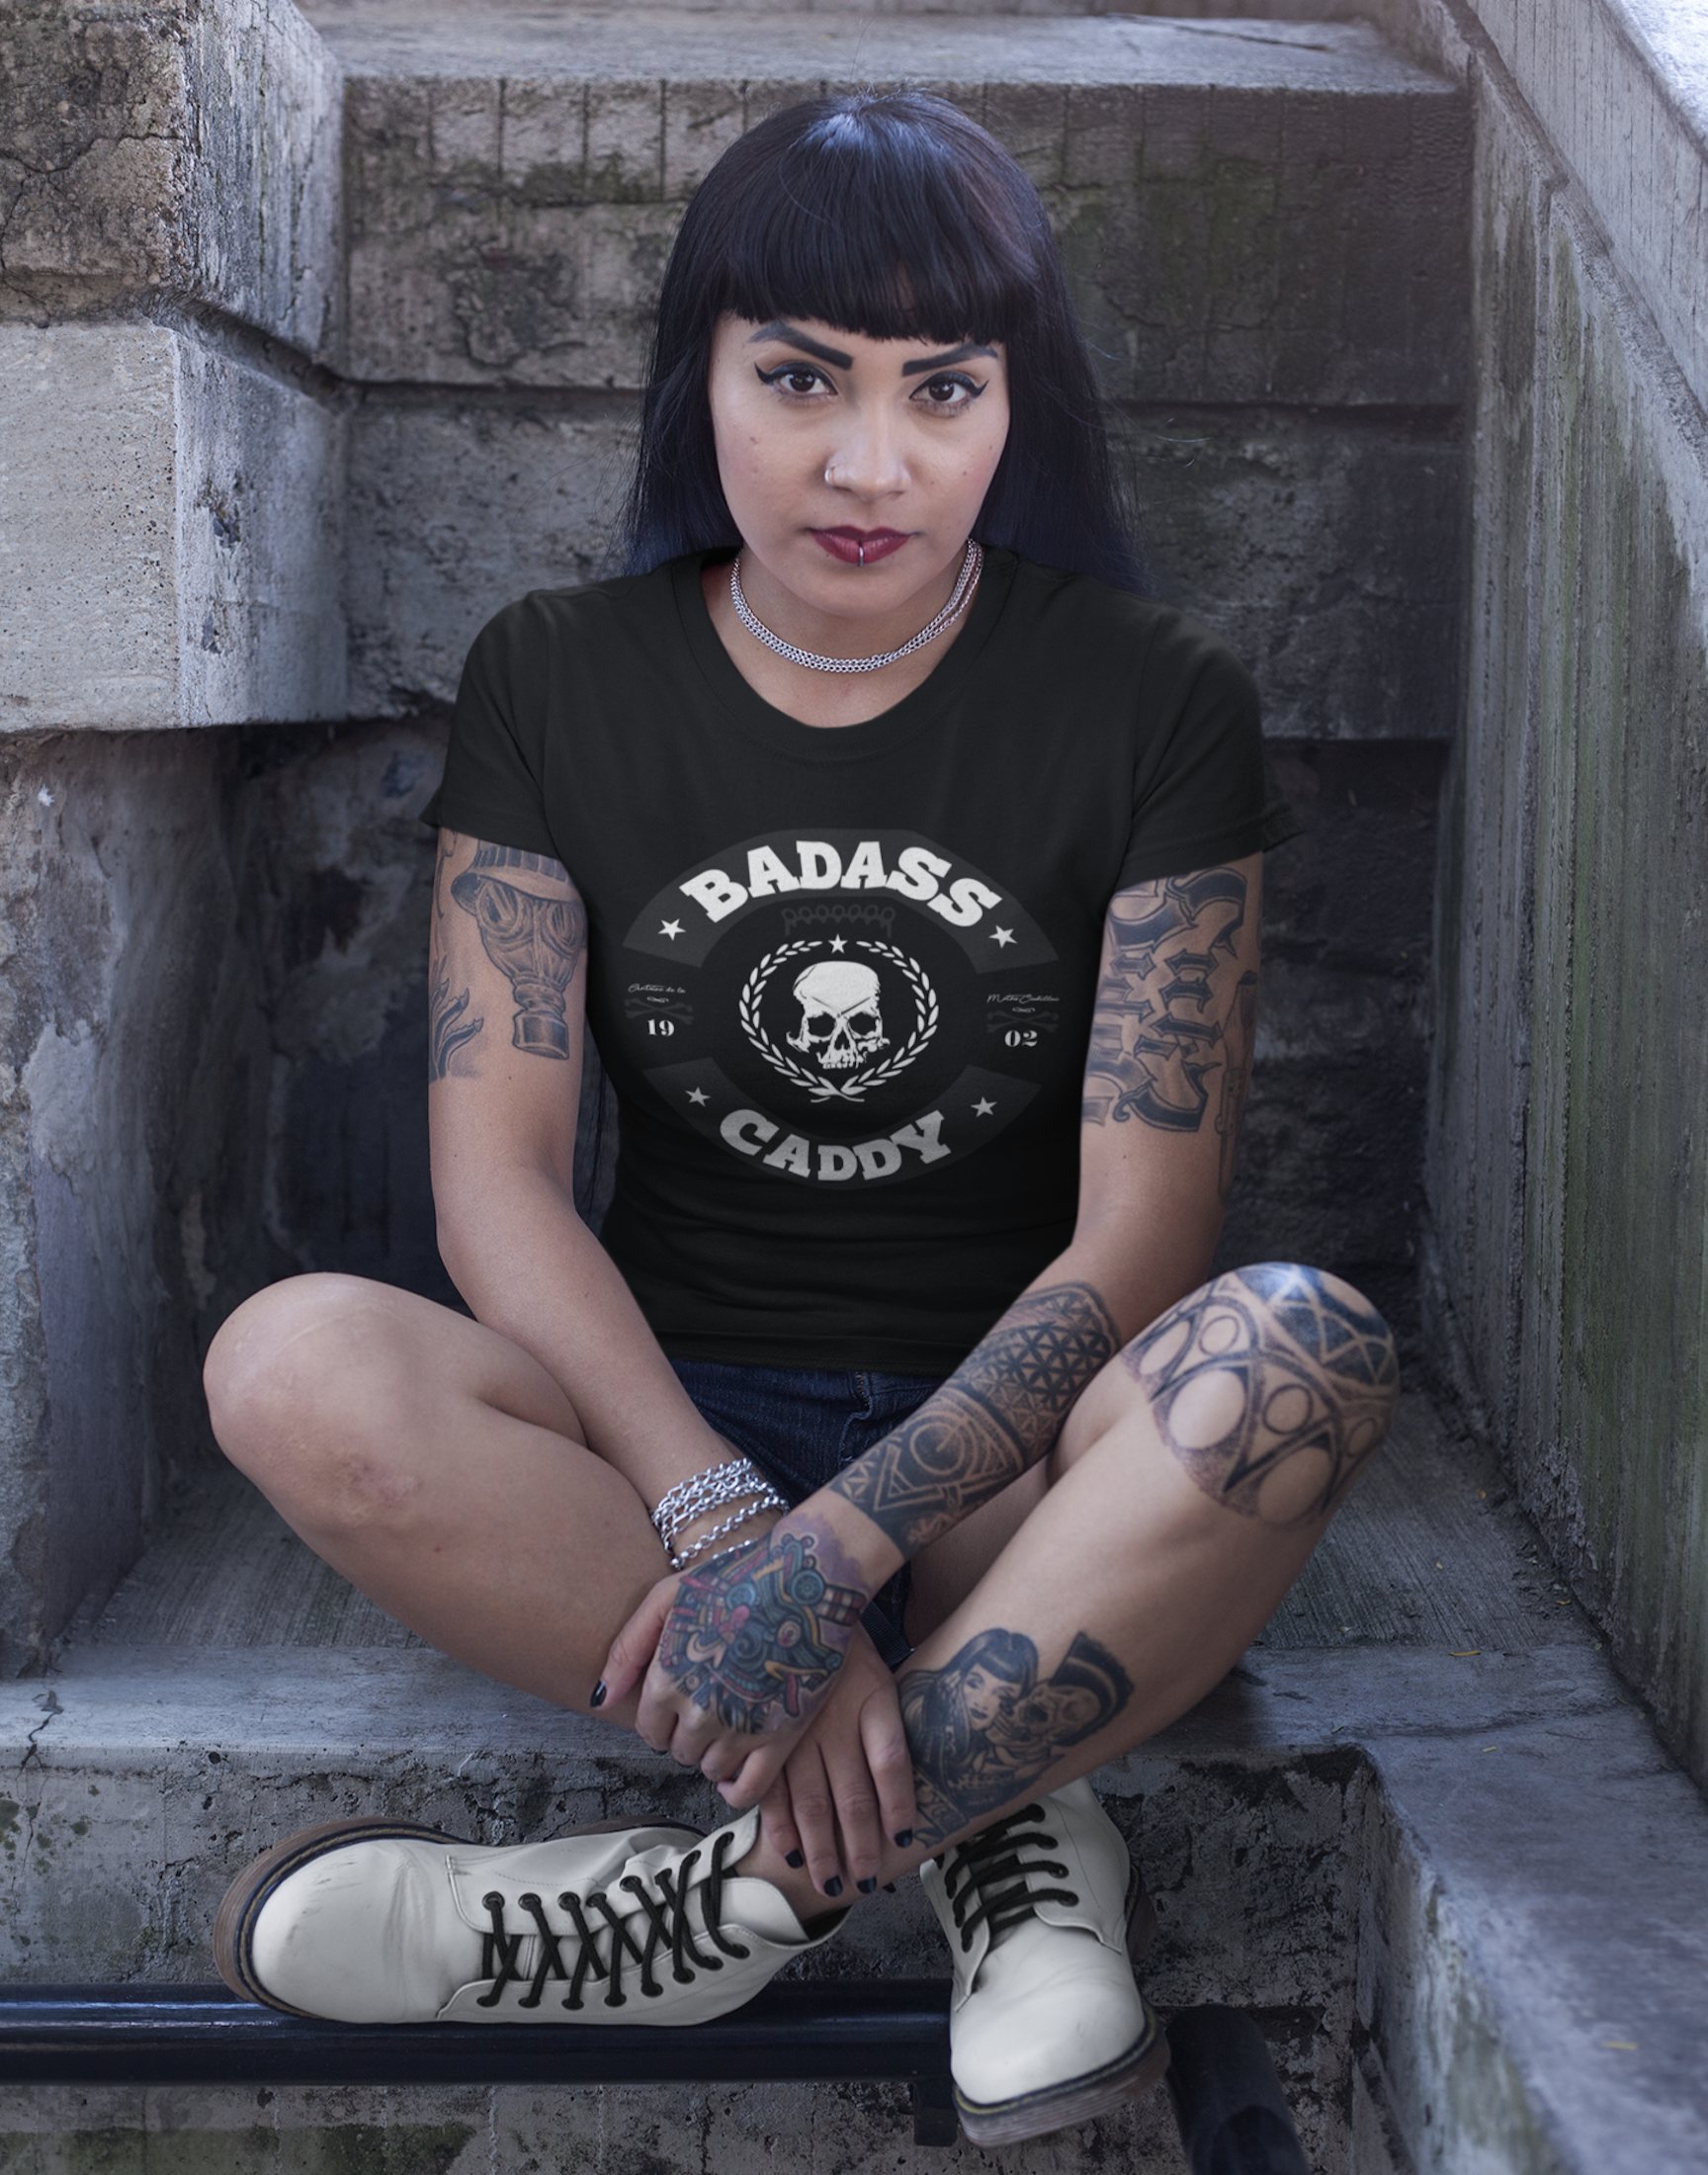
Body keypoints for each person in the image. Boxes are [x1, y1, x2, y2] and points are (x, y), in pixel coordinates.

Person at [203, 91, 1400, 2144]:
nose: (872, 462)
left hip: (1019, 1469)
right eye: (800, 380)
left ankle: (725, 1893)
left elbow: (1142, 1236)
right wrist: (727, 1517)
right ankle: (1009, 1828)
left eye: (942, 388)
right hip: (659, 1450)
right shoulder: (560, 674)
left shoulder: (1150, 693)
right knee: (292, 1359)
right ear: (703, 380)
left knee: (1296, 1346)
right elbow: (494, 1179)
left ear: (1021, 407)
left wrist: (848, 1549)